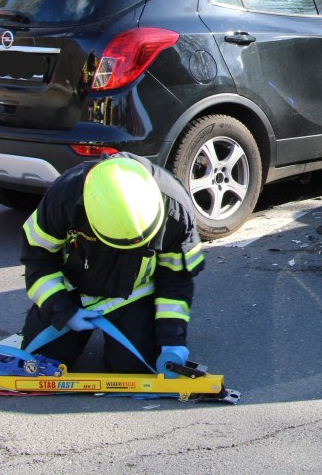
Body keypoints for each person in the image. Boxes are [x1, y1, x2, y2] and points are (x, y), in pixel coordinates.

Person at [20, 153, 204, 375]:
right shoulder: (65, 195)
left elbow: (176, 278)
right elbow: (38, 259)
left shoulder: (176, 210)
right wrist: (62, 310)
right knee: (42, 362)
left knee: (132, 369)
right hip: (73, 293)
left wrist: (172, 338)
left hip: (132, 296)